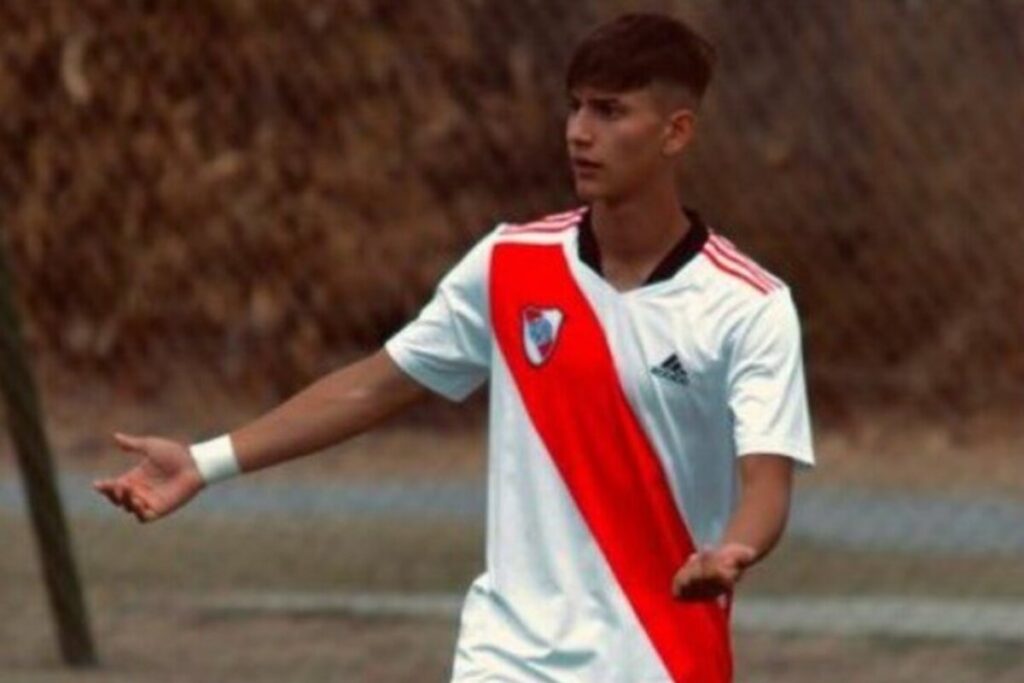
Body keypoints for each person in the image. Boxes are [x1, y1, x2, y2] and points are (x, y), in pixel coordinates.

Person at [95, 12, 813, 683]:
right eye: (576, 106)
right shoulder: (510, 264)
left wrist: (732, 550)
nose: (578, 132)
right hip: (507, 654)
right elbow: (374, 385)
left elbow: (766, 485)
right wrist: (205, 460)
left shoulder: (748, 305)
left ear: (676, 132)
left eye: (610, 111)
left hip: (661, 656)